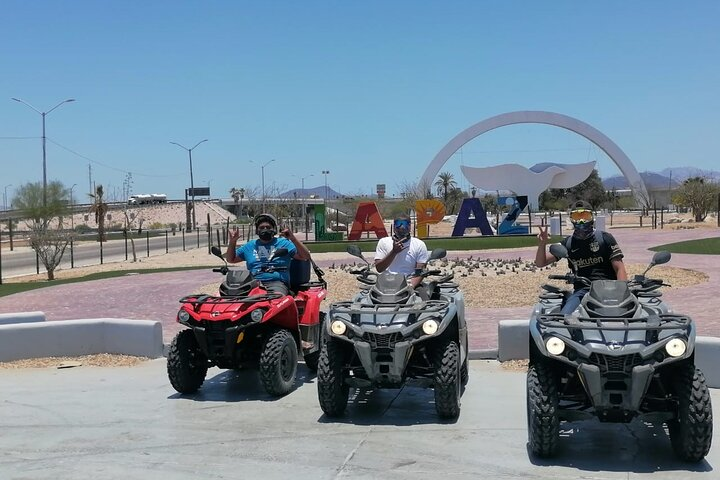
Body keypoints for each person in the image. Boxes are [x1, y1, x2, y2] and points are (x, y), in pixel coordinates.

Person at [535, 200, 627, 314]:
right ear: (571, 219)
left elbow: (620, 268)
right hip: (582, 291)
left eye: (585, 216)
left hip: (608, 288)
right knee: (564, 317)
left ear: (592, 217)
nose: (581, 221)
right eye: (577, 217)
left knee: (622, 315)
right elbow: (540, 263)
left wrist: (621, 292)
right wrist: (542, 243)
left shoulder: (605, 238)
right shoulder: (568, 243)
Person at [226, 213, 311, 296]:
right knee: (231, 297)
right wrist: (232, 242)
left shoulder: (284, 243)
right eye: (262, 228)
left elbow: (305, 256)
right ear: (257, 230)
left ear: (274, 230)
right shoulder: (249, 246)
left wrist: (293, 239)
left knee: (273, 301)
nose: (265, 229)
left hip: (277, 284)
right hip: (252, 283)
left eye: (268, 227)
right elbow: (231, 259)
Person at [375, 214, 429, 289]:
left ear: (410, 226)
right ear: (394, 226)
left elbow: (420, 272)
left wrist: (411, 286)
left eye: (405, 224)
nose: (401, 227)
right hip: (387, 283)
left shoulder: (419, 244)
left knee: (424, 298)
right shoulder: (383, 242)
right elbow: (379, 268)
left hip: (409, 282)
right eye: (398, 224)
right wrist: (394, 252)